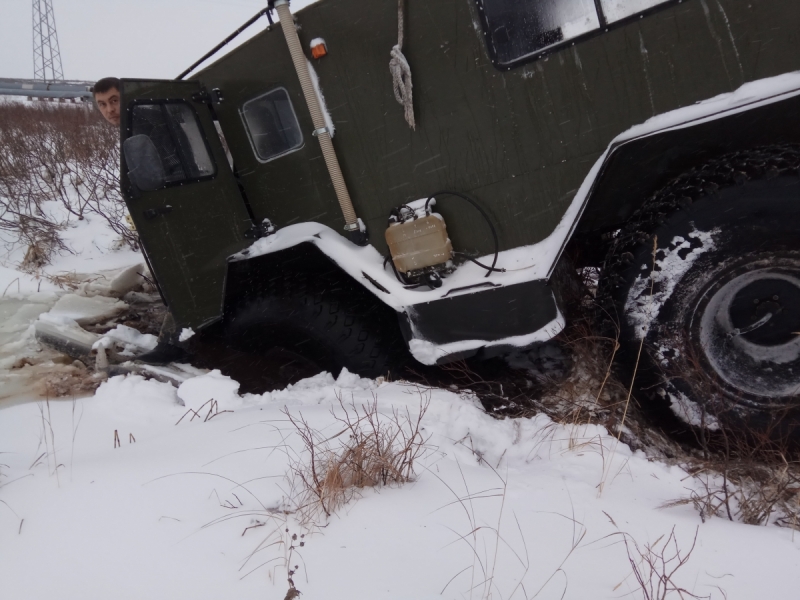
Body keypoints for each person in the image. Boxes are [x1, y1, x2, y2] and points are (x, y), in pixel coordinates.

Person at [92, 76, 188, 365]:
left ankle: (175, 342)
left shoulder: (144, 124)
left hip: (176, 207)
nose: (109, 110)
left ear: (126, 96)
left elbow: (166, 167)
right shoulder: (140, 122)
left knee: (180, 276)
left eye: (114, 100)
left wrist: (154, 197)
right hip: (175, 203)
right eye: (102, 105)